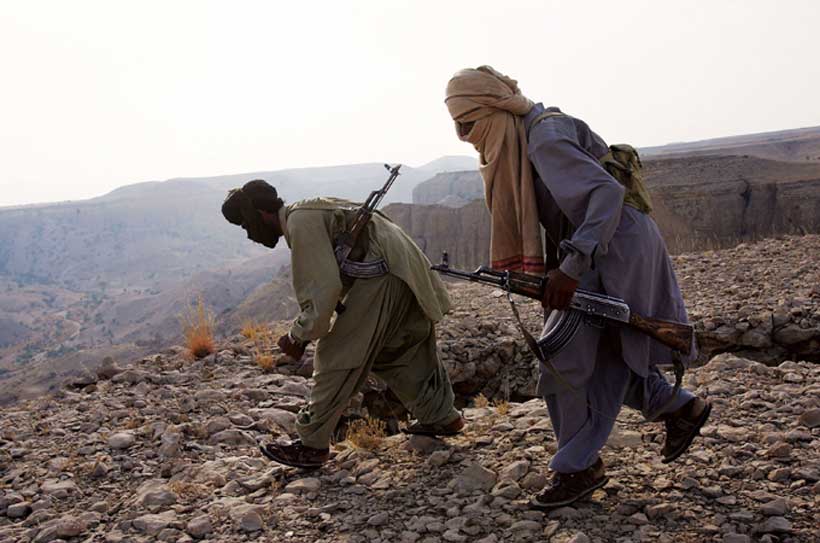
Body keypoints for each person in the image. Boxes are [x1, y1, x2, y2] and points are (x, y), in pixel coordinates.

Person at [444, 66, 711, 509]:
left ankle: (578, 467)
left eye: (468, 124)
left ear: (492, 110)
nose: (464, 136)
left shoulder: (543, 138)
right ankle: (679, 407)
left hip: (614, 248)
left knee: (563, 357)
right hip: (602, 246)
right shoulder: (532, 132)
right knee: (604, 351)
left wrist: (569, 269)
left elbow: (605, 196)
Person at [221, 180, 464, 468]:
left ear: (261, 214)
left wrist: (297, 337)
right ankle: (440, 416)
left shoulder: (300, 223)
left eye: (246, 225)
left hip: (384, 277)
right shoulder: (310, 208)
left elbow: (321, 294)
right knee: (394, 352)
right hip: (404, 270)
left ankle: (311, 445)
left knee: (336, 354)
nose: (249, 235)